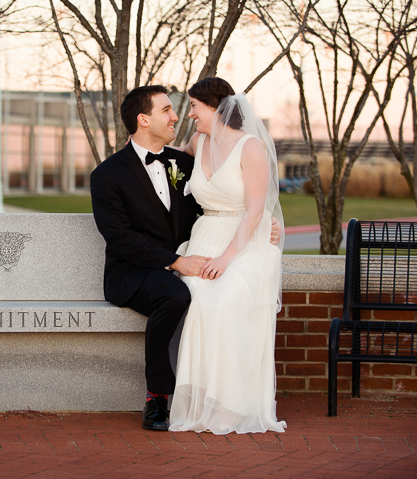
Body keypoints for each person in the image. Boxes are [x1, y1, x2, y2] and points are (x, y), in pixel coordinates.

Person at [90, 85, 280, 431]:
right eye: (166, 110)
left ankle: (219, 397)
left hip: (194, 254)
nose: (177, 115)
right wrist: (176, 262)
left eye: (181, 108)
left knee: (200, 297)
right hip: (135, 269)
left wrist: (268, 223)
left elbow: (221, 200)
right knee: (177, 294)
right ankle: (157, 398)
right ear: (143, 119)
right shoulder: (107, 175)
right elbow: (120, 238)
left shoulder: (182, 160)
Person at [168, 77, 287, 434]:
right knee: (198, 300)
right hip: (205, 236)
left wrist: (226, 258)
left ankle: (236, 403)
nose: (189, 114)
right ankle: (204, 398)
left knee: (223, 302)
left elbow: (254, 209)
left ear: (217, 107)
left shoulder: (250, 147)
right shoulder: (197, 142)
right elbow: (168, 162)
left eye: (194, 106)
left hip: (245, 241)